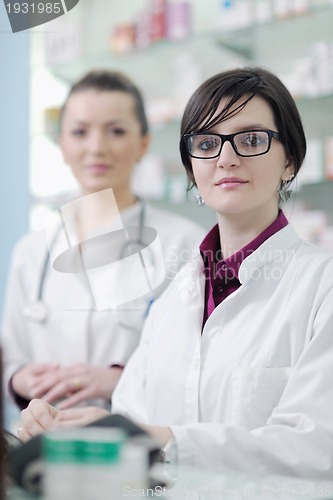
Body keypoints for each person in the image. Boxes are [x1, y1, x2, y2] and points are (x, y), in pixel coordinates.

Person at [17, 66, 333, 479]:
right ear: (191, 170)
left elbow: (317, 447)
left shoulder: (321, 287)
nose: (226, 157)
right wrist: (82, 430)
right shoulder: (176, 296)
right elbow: (134, 416)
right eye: (206, 143)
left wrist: (165, 441)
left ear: (290, 159)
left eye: (251, 139)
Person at [1, 69, 205, 412]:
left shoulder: (183, 243)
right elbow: (12, 357)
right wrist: (21, 378)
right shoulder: (31, 252)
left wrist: (122, 380)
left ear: (143, 144)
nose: (96, 147)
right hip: (42, 445)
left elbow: (198, 364)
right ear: (62, 146)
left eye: (116, 131)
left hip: (137, 446)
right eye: (80, 132)